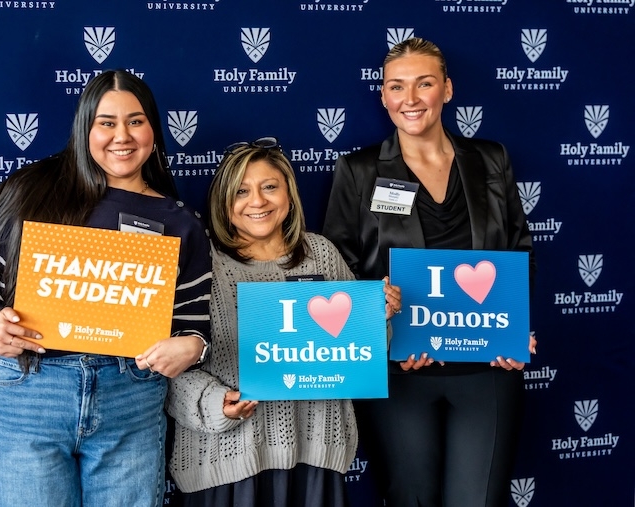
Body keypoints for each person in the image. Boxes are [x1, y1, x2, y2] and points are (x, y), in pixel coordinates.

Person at [0, 70, 211, 507]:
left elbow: (193, 323)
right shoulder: (28, 190)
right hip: (30, 388)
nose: (121, 136)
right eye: (106, 122)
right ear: (85, 127)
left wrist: (192, 347)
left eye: (135, 121)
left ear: (153, 130)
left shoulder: (179, 221)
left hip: (130, 394)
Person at [322, 38, 536, 507]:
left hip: (488, 367)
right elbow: (335, 266)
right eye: (397, 86)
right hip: (399, 370)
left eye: (424, 84)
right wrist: (371, 309)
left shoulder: (491, 160)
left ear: (448, 89)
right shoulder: (359, 170)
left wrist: (516, 329)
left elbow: (519, 249)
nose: (411, 98)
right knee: (409, 500)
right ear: (383, 96)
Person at [164, 137, 402, 507]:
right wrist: (214, 403)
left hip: (315, 457)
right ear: (223, 203)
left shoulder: (321, 253)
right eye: (241, 191)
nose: (257, 201)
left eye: (269, 187)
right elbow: (166, 363)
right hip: (228, 462)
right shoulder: (201, 260)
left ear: (289, 194)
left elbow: (360, 353)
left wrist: (379, 316)